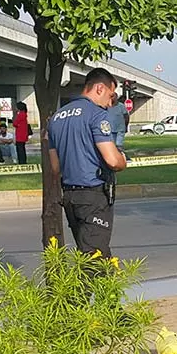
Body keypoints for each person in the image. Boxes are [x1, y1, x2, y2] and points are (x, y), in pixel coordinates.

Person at [48, 68, 126, 258]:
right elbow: (112, 160)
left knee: (88, 253)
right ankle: (92, 289)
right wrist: (123, 159)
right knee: (94, 259)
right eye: (110, 96)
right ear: (99, 88)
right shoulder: (96, 114)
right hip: (93, 196)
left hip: (70, 197)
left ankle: (101, 287)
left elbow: (55, 167)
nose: (109, 103)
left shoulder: (56, 118)